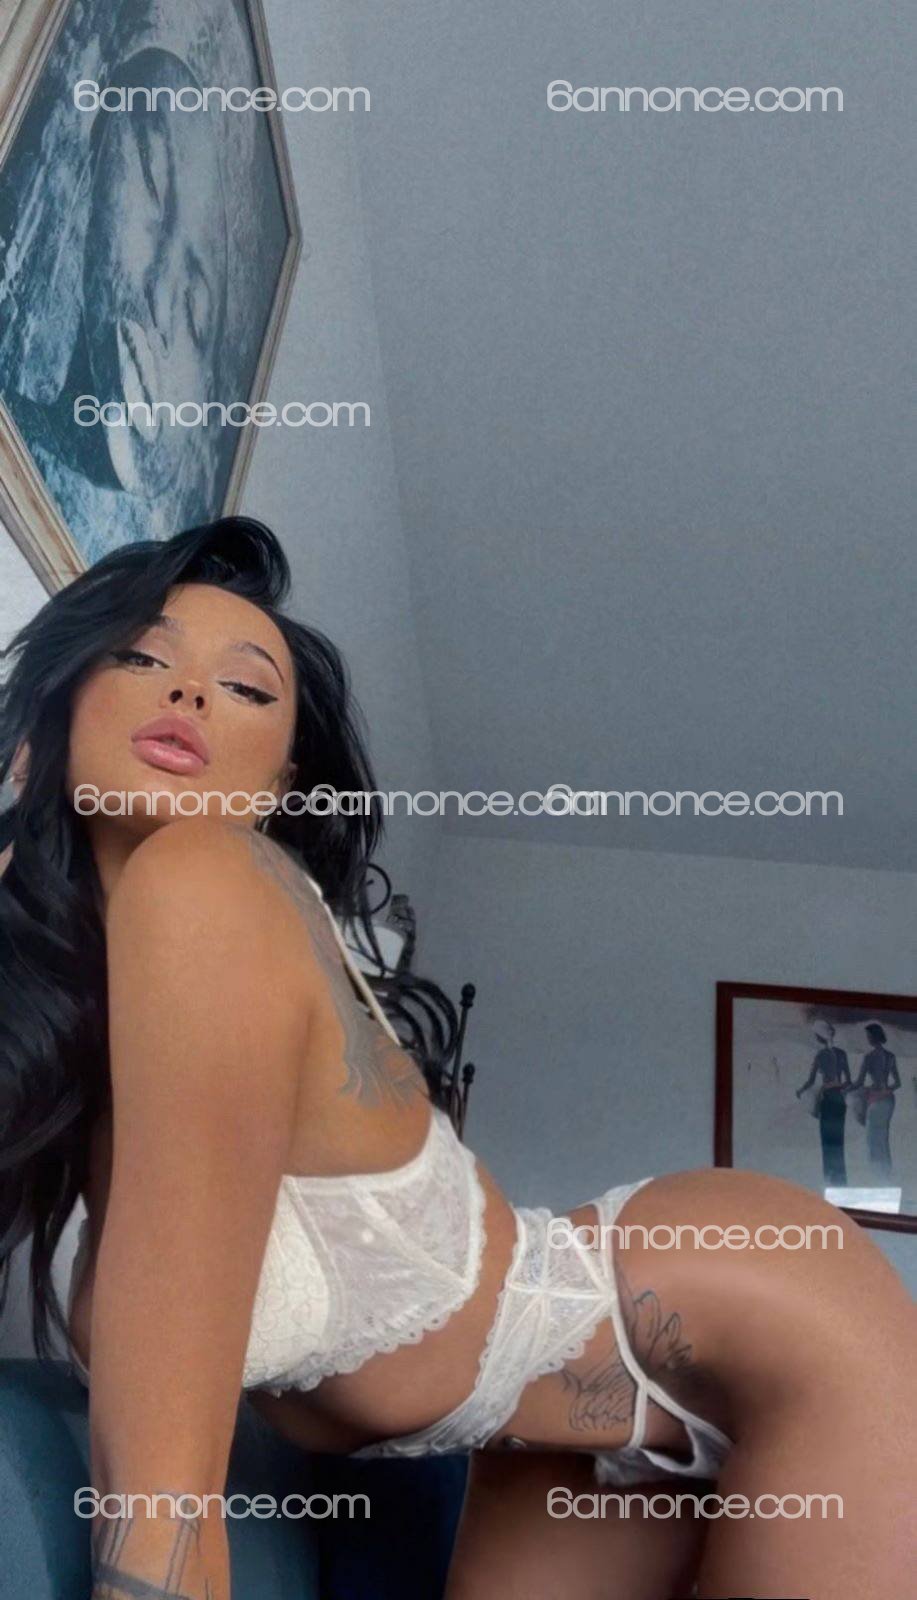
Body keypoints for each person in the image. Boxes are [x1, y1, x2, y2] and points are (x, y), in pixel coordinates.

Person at [1, 519, 913, 1600]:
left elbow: (166, 1521)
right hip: (551, 1433)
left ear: (283, 782)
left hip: (767, 1324)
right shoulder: (91, 1001)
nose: (190, 692)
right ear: (56, 711)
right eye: (140, 657)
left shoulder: (208, 880)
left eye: (245, 688)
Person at [796, 1020, 851, 1185]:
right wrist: (838, 1087)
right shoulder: (842, 1054)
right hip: (839, 1101)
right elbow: (848, 1081)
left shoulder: (820, 1056)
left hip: (827, 1101)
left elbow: (811, 1081)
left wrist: (800, 1091)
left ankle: (830, 1179)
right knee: (838, 1142)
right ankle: (841, 1180)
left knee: (827, 1143)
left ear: (820, 1037)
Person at [850, 1022, 901, 1179]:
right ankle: (886, 1172)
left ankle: (877, 1174)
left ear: (873, 1037)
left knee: (873, 1138)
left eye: (868, 1036)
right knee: (883, 1137)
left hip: (875, 1100)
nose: (867, 1039)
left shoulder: (869, 1057)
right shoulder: (890, 1056)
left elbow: (859, 1082)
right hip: (888, 1100)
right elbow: (897, 1083)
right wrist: (886, 1091)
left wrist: (847, 1089)